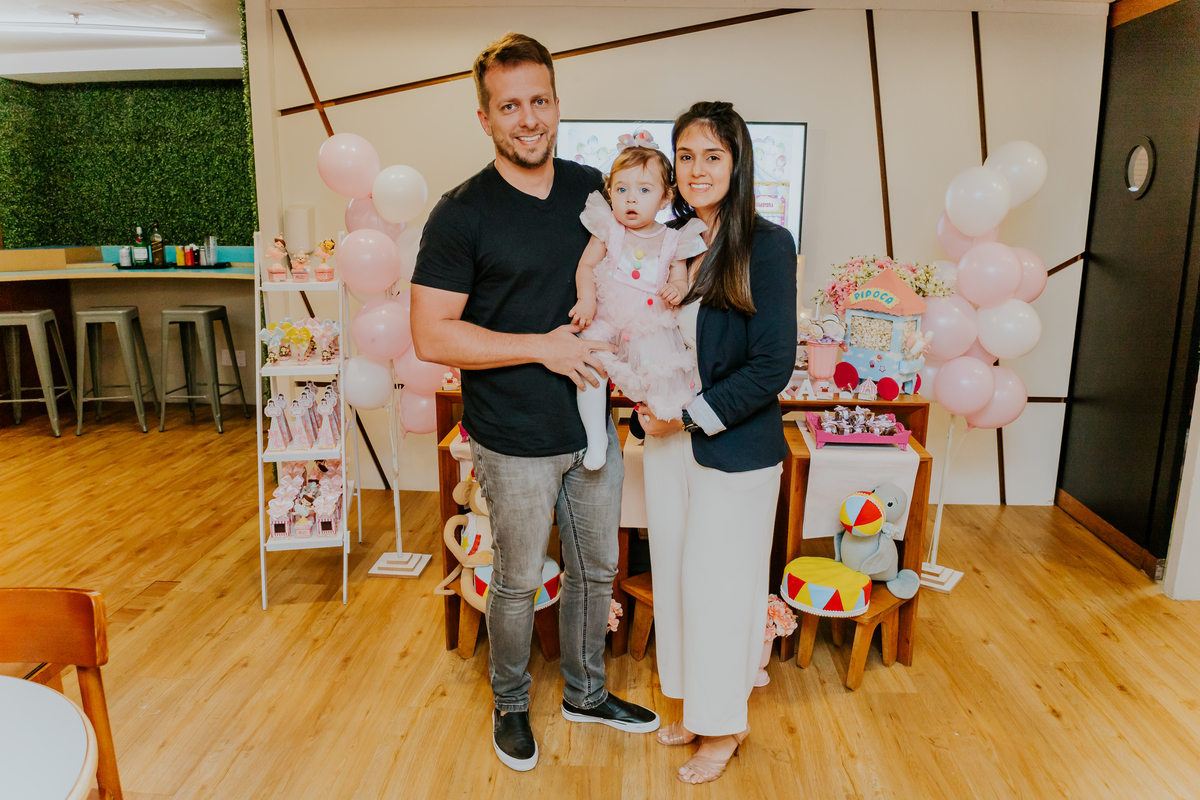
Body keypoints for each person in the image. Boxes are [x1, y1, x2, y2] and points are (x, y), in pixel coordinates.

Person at [408, 32, 659, 774]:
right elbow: (430, 334)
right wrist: (539, 346)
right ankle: (511, 703)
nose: (528, 119)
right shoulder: (461, 214)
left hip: (593, 429)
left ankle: (586, 691)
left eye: (540, 101)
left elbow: (640, 264)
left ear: (557, 104)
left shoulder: (593, 190)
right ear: (484, 117)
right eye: (509, 105)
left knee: (595, 571)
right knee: (517, 578)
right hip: (511, 435)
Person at [637, 101, 798, 784]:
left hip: (731, 448)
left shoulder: (767, 244)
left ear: (737, 163)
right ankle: (695, 708)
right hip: (670, 444)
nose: (696, 169)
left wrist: (688, 417)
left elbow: (772, 365)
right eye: (686, 156)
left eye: (711, 155)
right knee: (676, 583)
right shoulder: (673, 240)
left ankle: (725, 726)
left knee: (720, 590)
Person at [570, 141, 708, 470]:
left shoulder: (674, 239)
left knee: (661, 380)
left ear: (665, 197)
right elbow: (586, 266)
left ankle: (655, 427)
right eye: (622, 189)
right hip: (607, 316)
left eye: (644, 190)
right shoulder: (608, 229)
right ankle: (596, 437)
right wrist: (585, 299)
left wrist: (676, 288)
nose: (631, 198)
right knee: (587, 364)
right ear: (610, 192)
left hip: (649, 323)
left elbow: (680, 279)